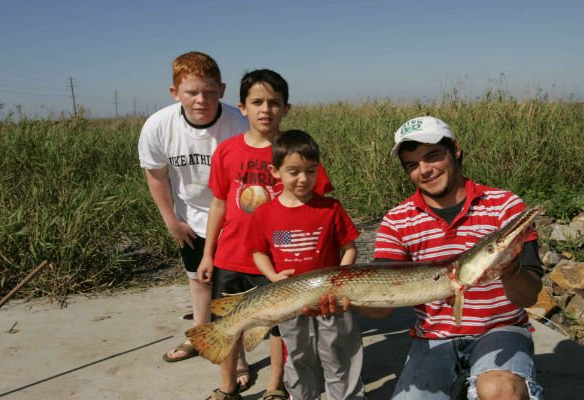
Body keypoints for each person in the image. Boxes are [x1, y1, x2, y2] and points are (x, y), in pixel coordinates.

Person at [309, 116, 545, 400]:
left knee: (498, 390)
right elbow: (382, 308)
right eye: (412, 165)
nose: (425, 170)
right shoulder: (397, 220)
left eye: (432, 156)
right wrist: (348, 303)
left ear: (455, 149)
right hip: (433, 339)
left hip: (501, 330)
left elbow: (529, 296)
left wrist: (509, 268)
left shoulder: (505, 205)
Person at [196, 70, 333, 400]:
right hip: (231, 254)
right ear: (242, 108)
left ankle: (276, 385)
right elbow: (218, 205)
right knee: (227, 324)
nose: (265, 109)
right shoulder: (227, 152)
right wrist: (207, 254)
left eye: (274, 102)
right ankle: (227, 388)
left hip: (275, 262)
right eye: (257, 102)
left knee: (276, 326)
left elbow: (316, 209)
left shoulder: (297, 154)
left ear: (286, 108)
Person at [137, 50, 251, 379]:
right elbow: (156, 175)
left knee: (232, 291)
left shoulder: (237, 123)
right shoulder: (158, 126)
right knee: (198, 283)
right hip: (190, 218)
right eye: (192, 92)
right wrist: (171, 220)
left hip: (234, 219)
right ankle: (198, 338)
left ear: (222, 90)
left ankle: (237, 354)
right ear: (175, 93)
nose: (201, 99)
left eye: (209, 91)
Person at [249, 130, 366, 400]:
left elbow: (349, 248)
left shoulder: (331, 208)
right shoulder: (265, 213)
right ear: (275, 171)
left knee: (339, 355)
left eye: (311, 171)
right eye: (294, 171)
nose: (304, 179)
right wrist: (274, 277)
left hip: (331, 299)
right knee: (298, 356)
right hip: (288, 300)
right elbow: (259, 253)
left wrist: (341, 277)